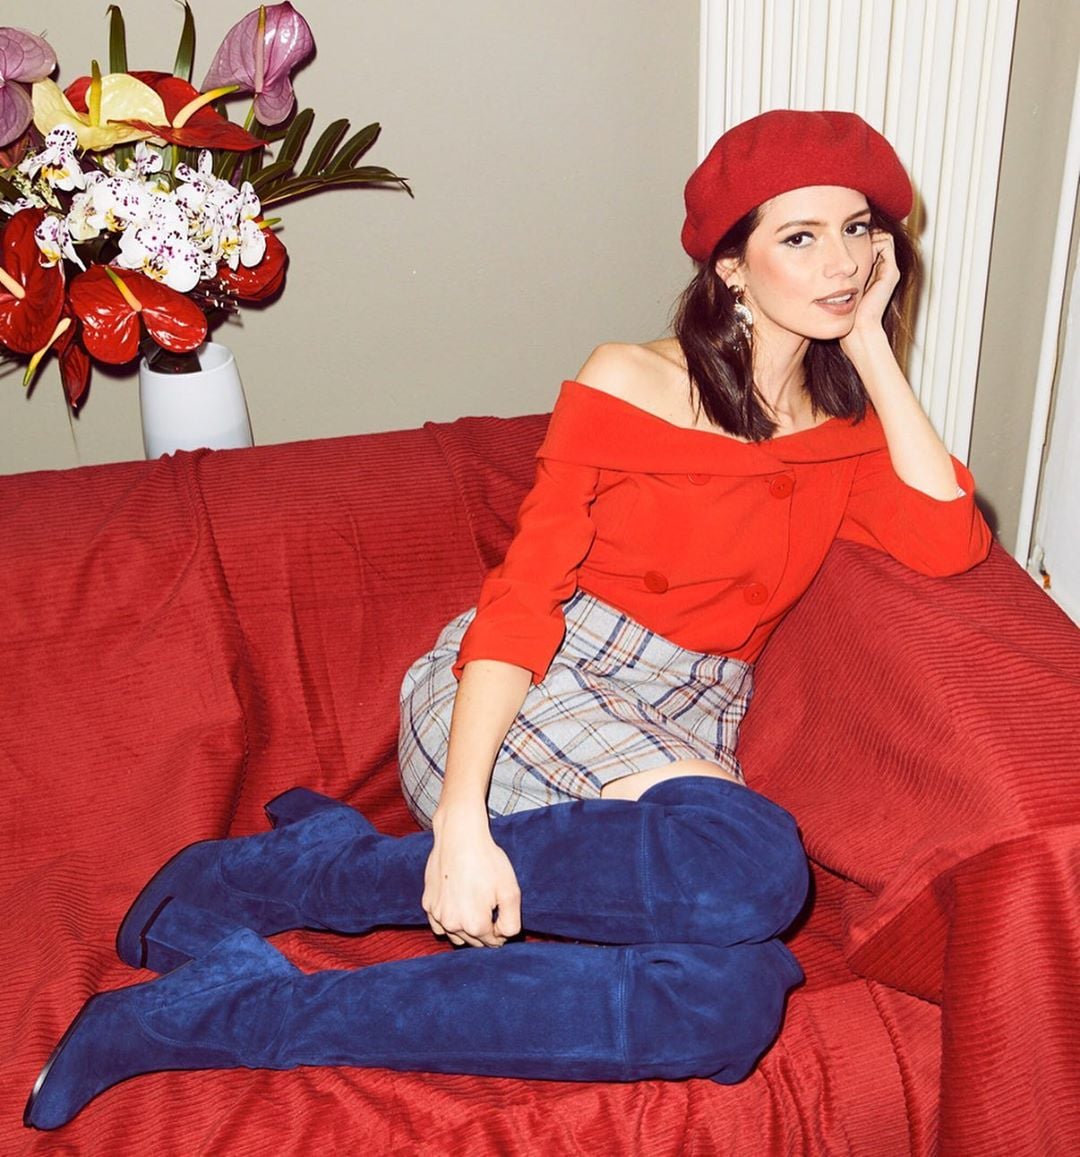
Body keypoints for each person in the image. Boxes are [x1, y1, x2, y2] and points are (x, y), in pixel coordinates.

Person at [25, 109, 991, 1131]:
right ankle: (310, 875)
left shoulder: (845, 430)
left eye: (858, 229)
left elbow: (949, 539)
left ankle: (225, 1010)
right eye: (800, 236)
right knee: (753, 865)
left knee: (729, 1000)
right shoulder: (635, 380)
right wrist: (460, 825)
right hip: (536, 679)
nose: (841, 261)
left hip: (681, 729)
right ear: (731, 266)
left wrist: (873, 345)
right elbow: (523, 598)